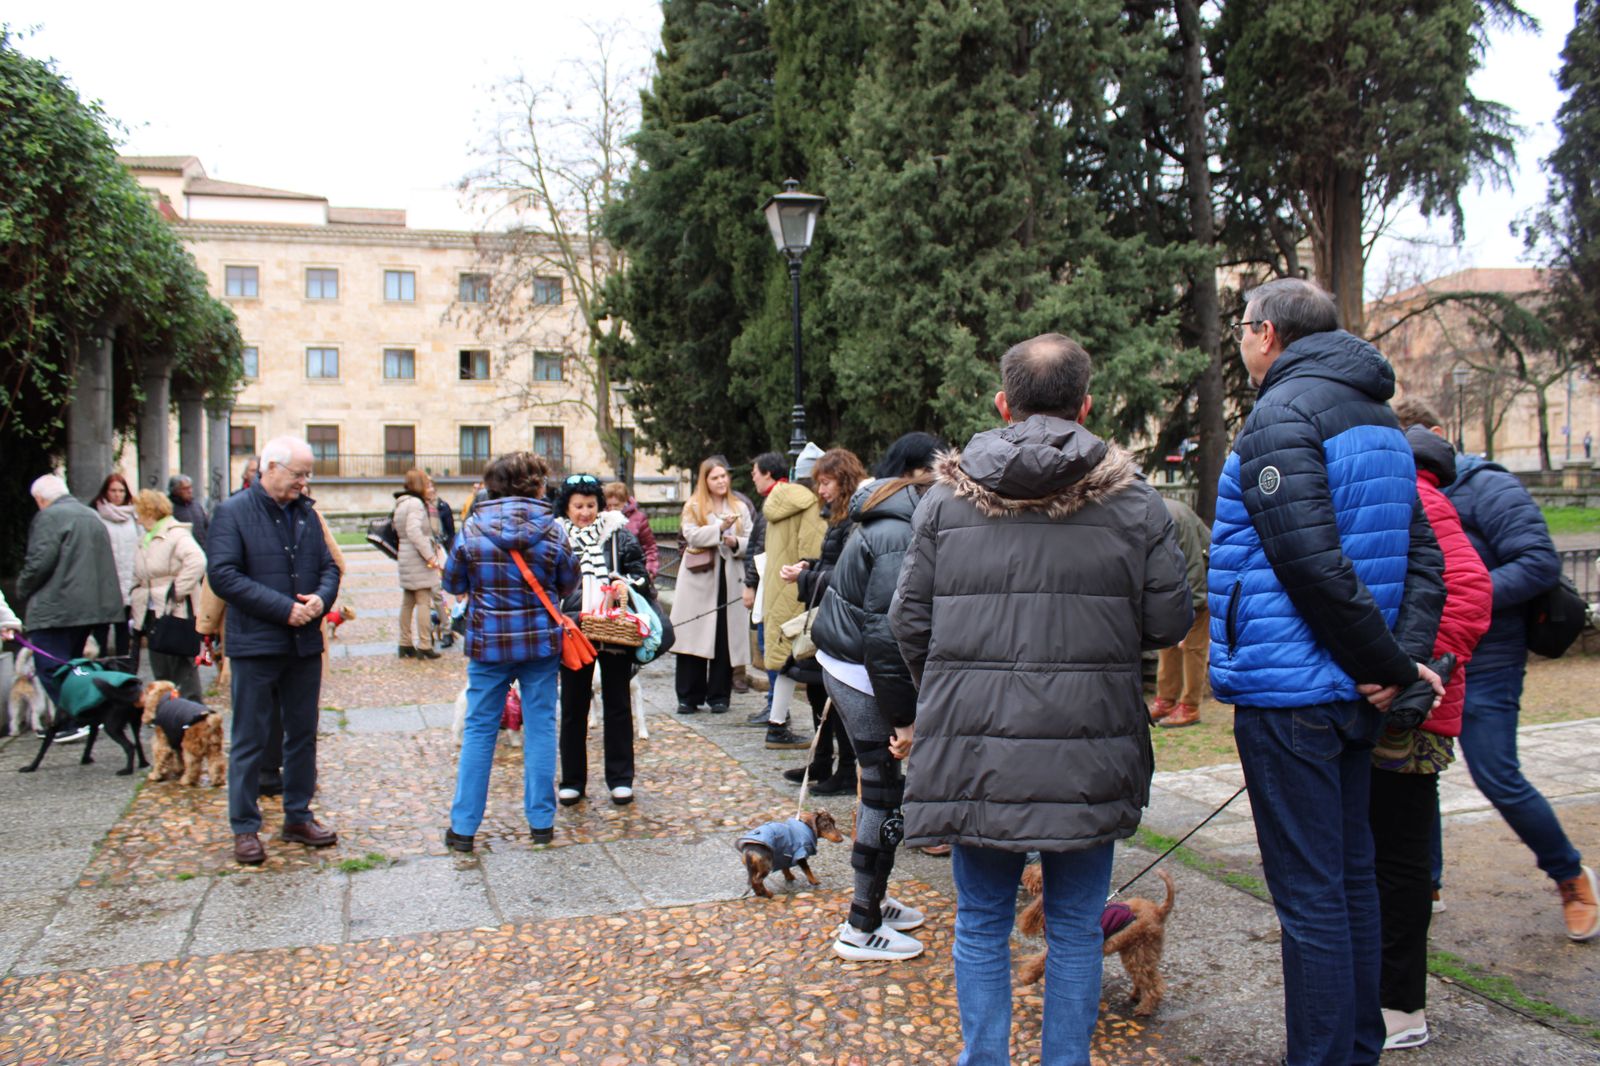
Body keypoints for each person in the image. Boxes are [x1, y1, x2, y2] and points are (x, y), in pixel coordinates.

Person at [891, 334, 1192, 1065]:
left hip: (974, 740)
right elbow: (1169, 620)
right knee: (1078, 922)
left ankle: (984, 1058)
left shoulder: (942, 503)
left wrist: (951, 690)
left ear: (1003, 404)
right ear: (1086, 407)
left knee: (982, 919)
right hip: (1090, 740)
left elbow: (908, 621)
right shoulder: (1137, 501)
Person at [1208, 278, 1447, 1065]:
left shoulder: (1282, 413)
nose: (1240, 343)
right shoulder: (1378, 419)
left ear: (1267, 333)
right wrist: (1394, 666)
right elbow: (1423, 560)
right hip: (1348, 691)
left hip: (1295, 693)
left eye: (1242, 330)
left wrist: (1387, 665)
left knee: (1313, 898)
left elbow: (1307, 560)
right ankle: (1353, 1049)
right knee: (1348, 883)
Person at [1422, 407, 1600, 943]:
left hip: (1489, 655)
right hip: (1432, 657)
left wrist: (1461, 599)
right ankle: (1424, 884)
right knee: (1416, 771)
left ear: (1435, 437)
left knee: (1497, 772)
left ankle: (1569, 876)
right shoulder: (1409, 489)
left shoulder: (1488, 486)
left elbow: (1538, 562)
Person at [1366, 405, 1493, 1050]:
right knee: (1377, 855)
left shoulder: (1417, 496)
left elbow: (1469, 596)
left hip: (1413, 715)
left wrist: (1408, 670)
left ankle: (1400, 1007)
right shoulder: (1398, 488)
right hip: (1383, 706)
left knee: (1400, 860)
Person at [813, 431, 943, 961]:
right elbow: (886, 634)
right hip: (860, 672)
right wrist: (903, 719)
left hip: (851, 664)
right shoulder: (897, 530)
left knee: (883, 787)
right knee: (882, 790)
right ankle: (861, 925)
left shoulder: (894, 513)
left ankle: (877, 899)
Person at [208, 436, 343, 866]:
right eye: (298, 474)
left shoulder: (305, 513)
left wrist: (321, 599)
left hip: (303, 644)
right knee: (250, 737)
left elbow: (328, 566)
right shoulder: (232, 513)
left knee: (302, 734)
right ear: (269, 468)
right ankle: (245, 828)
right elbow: (224, 576)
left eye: (308, 475)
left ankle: (298, 815)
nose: (304, 483)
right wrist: (283, 609)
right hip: (256, 644)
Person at [442, 451, 578, 852]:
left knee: (480, 730)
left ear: (492, 485)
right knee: (541, 727)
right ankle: (541, 821)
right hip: (539, 643)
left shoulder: (472, 529)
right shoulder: (552, 530)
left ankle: (464, 827)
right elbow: (568, 582)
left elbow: (453, 583)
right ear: (536, 485)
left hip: (489, 644)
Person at [555, 474, 649, 806]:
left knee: (618, 704)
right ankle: (572, 779)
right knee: (573, 705)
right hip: (574, 630)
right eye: (578, 506)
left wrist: (624, 584)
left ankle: (620, 778)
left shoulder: (619, 536)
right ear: (566, 507)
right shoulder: (556, 538)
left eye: (590, 505)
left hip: (614, 630)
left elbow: (640, 575)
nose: (585, 512)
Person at [782, 448, 868, 793]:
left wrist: (806, 577)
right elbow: (830, 562)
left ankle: (846, 769)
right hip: (831, 616)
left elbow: (850, 573)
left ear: (843, 480)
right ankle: (821, 761)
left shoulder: (855, 518)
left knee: (838, 697)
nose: (821, 489)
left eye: (826, 481)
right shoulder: (838, 515)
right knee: (817, 691)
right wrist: (808, 566)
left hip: (843, 620)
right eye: (819, 482)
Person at [16, 475, 125, 708]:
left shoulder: (49, 516)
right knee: (74, 665)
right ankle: (86, 712)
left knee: (50, 667)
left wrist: (22, 588)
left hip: (57, 607)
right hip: (89, 607)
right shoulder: (91, 515)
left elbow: (39, 562)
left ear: (40, 498)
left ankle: (75, 716)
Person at [669, 458, 752, 715]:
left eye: (724, 476)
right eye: (715, 477)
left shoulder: (739, 506)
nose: (721, 481)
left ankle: (719, 695)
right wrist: (718, 529)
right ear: (705, 480)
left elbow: (751, 538)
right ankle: (688, 696)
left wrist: (733, 541)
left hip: (729, 578)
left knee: (724, 638)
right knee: (693, 637)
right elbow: (690, 534)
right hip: (699, 579)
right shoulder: (694, 505)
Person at [761, 446, 827, 749]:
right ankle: (814, 732)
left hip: (778, 587)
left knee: (787, 659)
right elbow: (813, 551)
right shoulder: (811, 504)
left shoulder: (778, 500)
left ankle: (776, 723)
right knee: (801, 658)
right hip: (799, 588)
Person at [130, 489, 208, 702]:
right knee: (160, 662)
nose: (135, 516)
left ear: (149, 511)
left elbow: (197, 561)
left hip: (174, 610)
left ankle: (191, 709)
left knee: (180, 662)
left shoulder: (175, 533)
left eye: (138, 510)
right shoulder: (145, 537)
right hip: (151, 609)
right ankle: (167, 707)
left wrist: (176, 591)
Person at [1149, 497, 1211, 729]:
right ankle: (1166, 700)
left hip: (1200, 585)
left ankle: (1190, 706)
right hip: (1173, 589)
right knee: (1168, 642)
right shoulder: (1148, 515)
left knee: (1192, 646)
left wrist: (1193, 610)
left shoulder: (1175, 519)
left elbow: (1195, 565)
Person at [741, 454, 782, 725]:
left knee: (770, 648)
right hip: (769, 586)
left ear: (767, 473)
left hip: (771, 588)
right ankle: (774, 705)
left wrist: (750, 584)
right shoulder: (771, 500)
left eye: (755, 472)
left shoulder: (775, 502)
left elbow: (761, 549)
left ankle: (776, 709)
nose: (753, 477)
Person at [393, 470, 444, 660]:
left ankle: (405, 642)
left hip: (406, 556)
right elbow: (414, 531)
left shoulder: (402, 503)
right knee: (424, 600)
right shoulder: (415, 504)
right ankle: (424, 644)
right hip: (417, 558)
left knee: (408, 602)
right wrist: (430, 556)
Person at [90, 472, 139, 665]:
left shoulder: (133, 516)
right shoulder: (95, 515)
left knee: (123, 629)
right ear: (105, 491)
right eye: (113, 490)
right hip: (104, 580)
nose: (117, 495)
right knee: (101, 628)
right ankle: (99, 667)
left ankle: (122, 669)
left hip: (128, 578)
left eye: (121, 490)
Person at [604, 481, 660, 578]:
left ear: (624, 502)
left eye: (616, 505)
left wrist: (650, 569)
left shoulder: (638, 518)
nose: (612, 509)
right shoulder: (602, 518)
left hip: (633, 572)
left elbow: (649, 546)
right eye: (609, 506)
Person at [168, 475, 210, 552]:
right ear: (175, 491)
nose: (190, 491)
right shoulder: (168, 508)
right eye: (185, 489)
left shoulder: (196, 506)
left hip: (202, 551)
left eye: (190, 487)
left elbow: (206, 527)